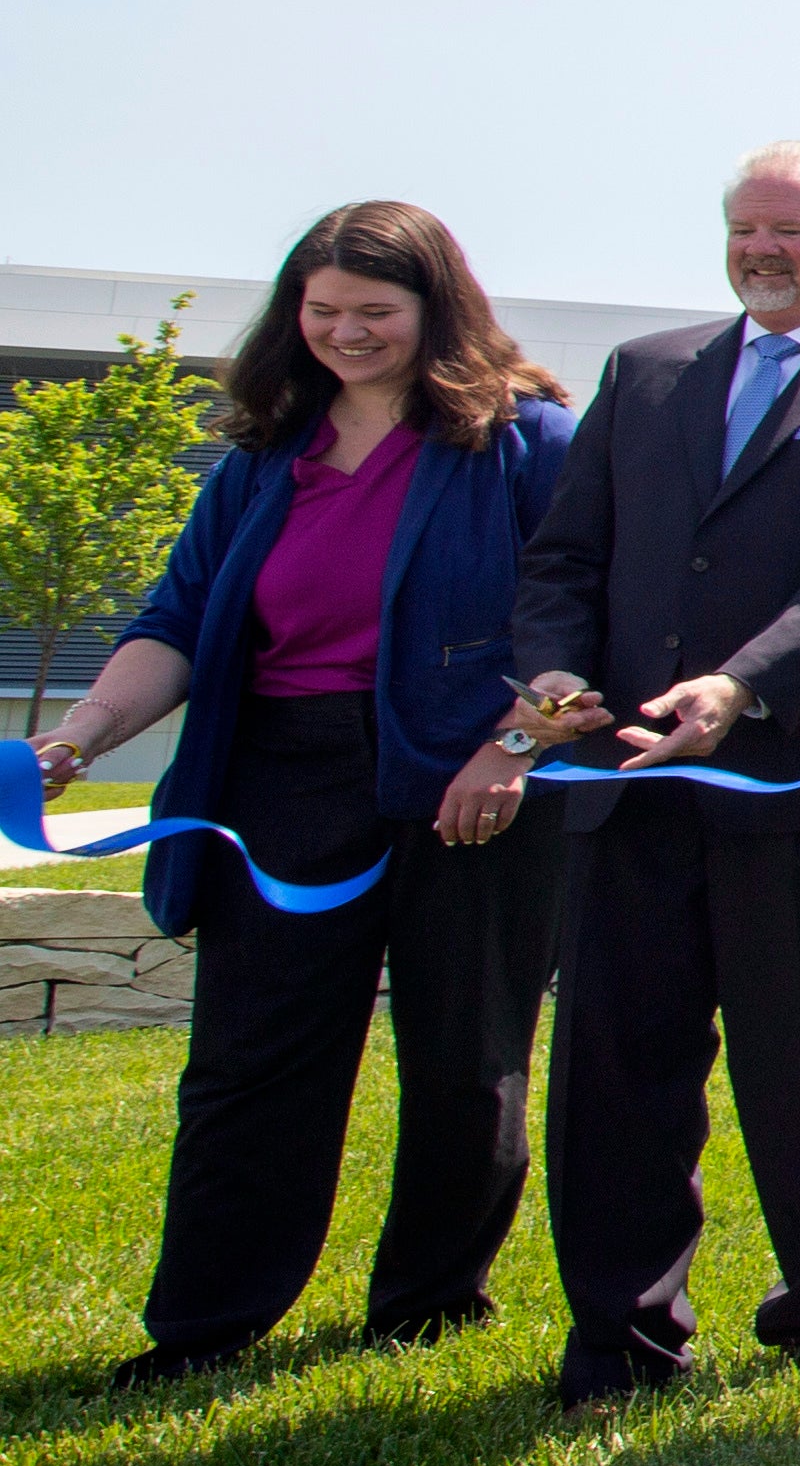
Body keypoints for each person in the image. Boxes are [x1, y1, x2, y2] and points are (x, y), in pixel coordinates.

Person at [40, 206, 573, 1381]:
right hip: (278, 775)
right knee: (250, 1058)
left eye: (374, 314)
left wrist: (516, 747)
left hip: (470, 776)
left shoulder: (527, 442)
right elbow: (174, 624)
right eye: (321, 312)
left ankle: (427, 1310)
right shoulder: (261, 460)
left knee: (464, 1053)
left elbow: (579, 619)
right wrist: (81, 734)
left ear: (438, 311)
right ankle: (205, 1328)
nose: (344, 334)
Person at [500, 144, 800, 1406]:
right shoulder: (650, 373)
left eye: (790, 230)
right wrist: (552, 679)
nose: (760, 250)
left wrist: (744, 683)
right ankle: (620, 1333)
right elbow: (565, 559)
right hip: (629, 779)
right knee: (616, 1069)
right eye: (742, 230)